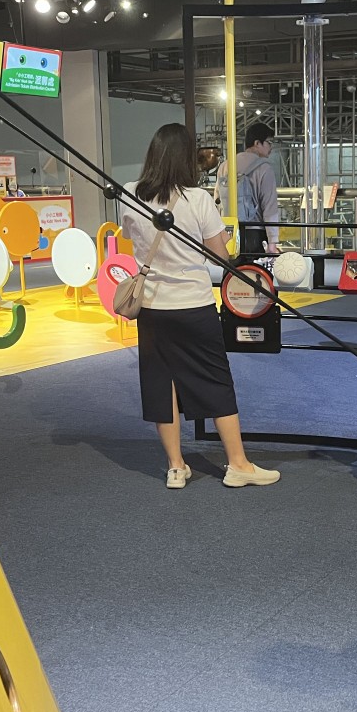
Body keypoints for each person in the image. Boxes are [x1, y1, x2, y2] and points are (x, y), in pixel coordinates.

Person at [120, 123, 280, 490]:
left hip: (152, 308)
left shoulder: (130, 194)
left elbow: (132, 237)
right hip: (194, 305)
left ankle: (176, 467)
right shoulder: (198, 199)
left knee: (162, 384)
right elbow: (219, 255)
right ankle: (238, 464)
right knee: (215, 380)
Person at [219, 122, 279, 257]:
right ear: (257, 143)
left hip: (229, 232)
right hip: (254, 234)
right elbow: (270, 207)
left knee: (231, 269)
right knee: (253, 270)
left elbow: (218, 201)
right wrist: (272, 242)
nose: (271, 148)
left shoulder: (225, 166)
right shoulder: (264, 168)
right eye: (269, 143)